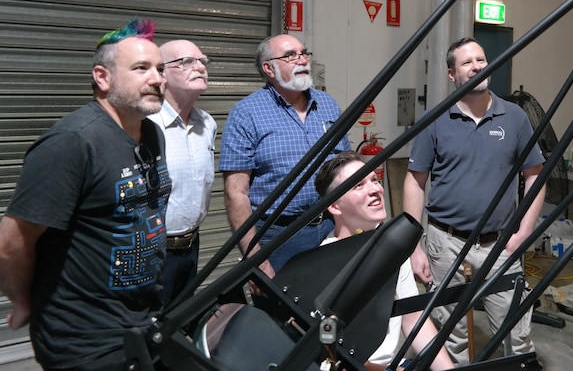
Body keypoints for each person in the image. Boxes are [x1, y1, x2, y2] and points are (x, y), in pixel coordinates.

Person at [0, 19, 171, 371]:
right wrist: (22, 301)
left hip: (143, 321)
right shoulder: (72, 142)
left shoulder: (152, 134)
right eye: (141, 68)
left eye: (160, 68)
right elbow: (12, 242)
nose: (157, 78)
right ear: (102, 77)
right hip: (84, 337)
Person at [403, 37, 545, 365]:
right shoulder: (436, 119)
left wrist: (524, 231)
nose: (477, 66)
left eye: (481, 59)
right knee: (448, 330)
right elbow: (415, 180)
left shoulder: (514, 118)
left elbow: (535, 175)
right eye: (467, 63)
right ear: (452, 74)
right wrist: (414, 245)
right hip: (445, 243)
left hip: (499, 245)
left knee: (515, 330)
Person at [220, 34, 351, 277]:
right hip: (279, 238)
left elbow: (344, 170)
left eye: (303, 53)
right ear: (268, 68)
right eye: (290, 55)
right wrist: (256, 261)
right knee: (281, 312)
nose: (302, 60)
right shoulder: (246, 113)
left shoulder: (328, 105)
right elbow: (236, 193)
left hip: (333, 227)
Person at [315, 151, 454, 371]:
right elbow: (335, 359)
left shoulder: (392, 246)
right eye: (358, 185)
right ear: (335, 206)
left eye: (374, 180)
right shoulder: (325, 264)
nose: (376, 189)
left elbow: (413, 318)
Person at [148, 39, 217, 308]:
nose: (199, 67)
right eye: (187, 61)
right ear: (161, 73)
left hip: (191, 248)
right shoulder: (146, 125)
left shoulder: (207, 124)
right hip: (153, 252)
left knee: (178, 327)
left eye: (202, 61)